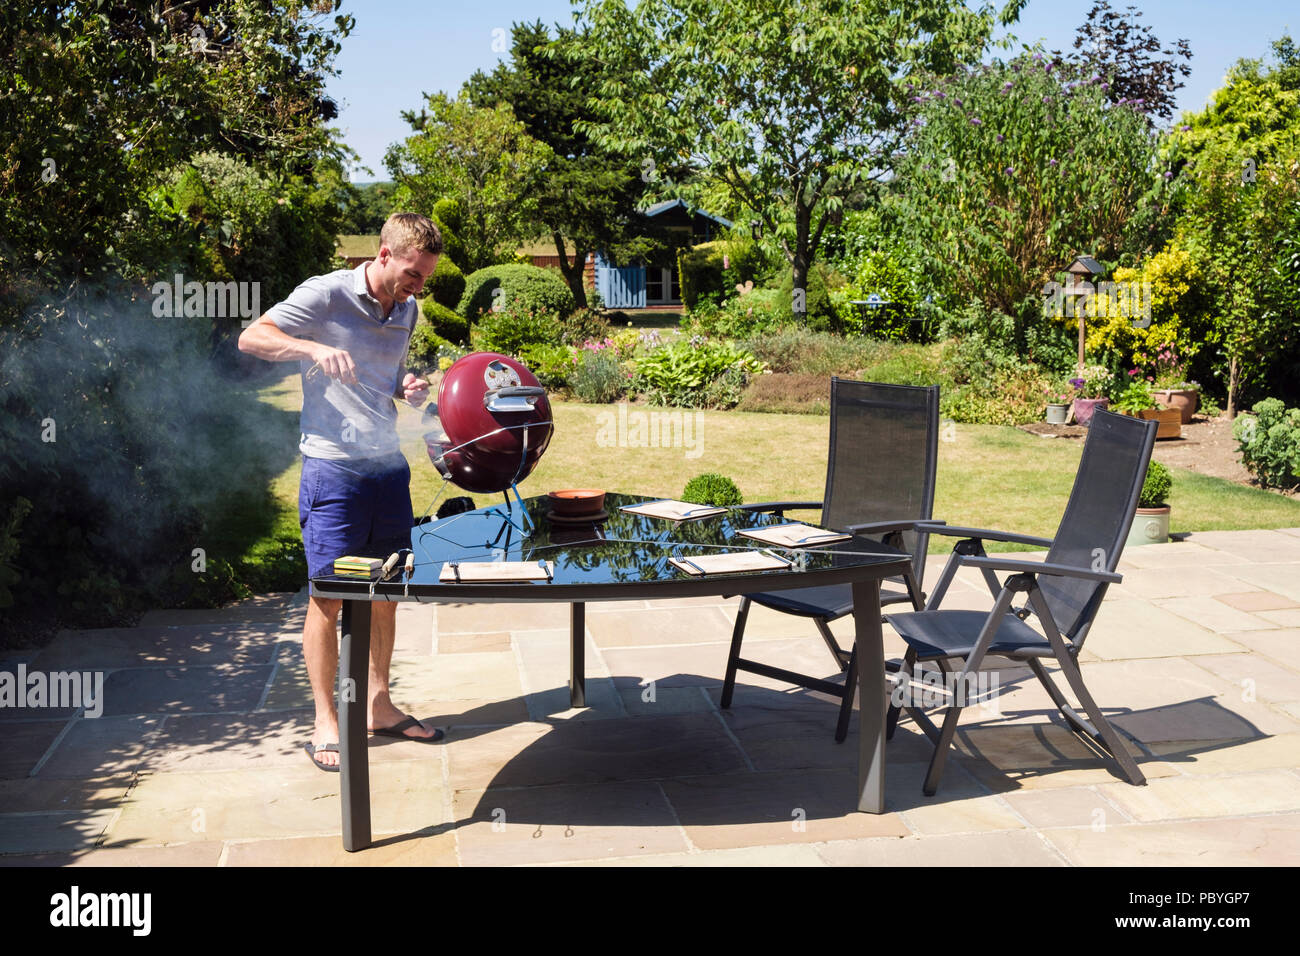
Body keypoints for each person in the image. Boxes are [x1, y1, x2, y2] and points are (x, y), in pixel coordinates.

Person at [238, 212, 442, 771]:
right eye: (411, 273)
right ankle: (325, 719)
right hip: (333, 470)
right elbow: (252, 336)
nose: (417, 286)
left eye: (424, 277)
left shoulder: (407, 309)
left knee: (389, 588)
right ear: (382, 254)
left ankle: (379, 704)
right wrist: (310, 350)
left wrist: (408, 385)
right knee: (328, 596)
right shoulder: (326, 294)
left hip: (385, 469)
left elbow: (388, 375)